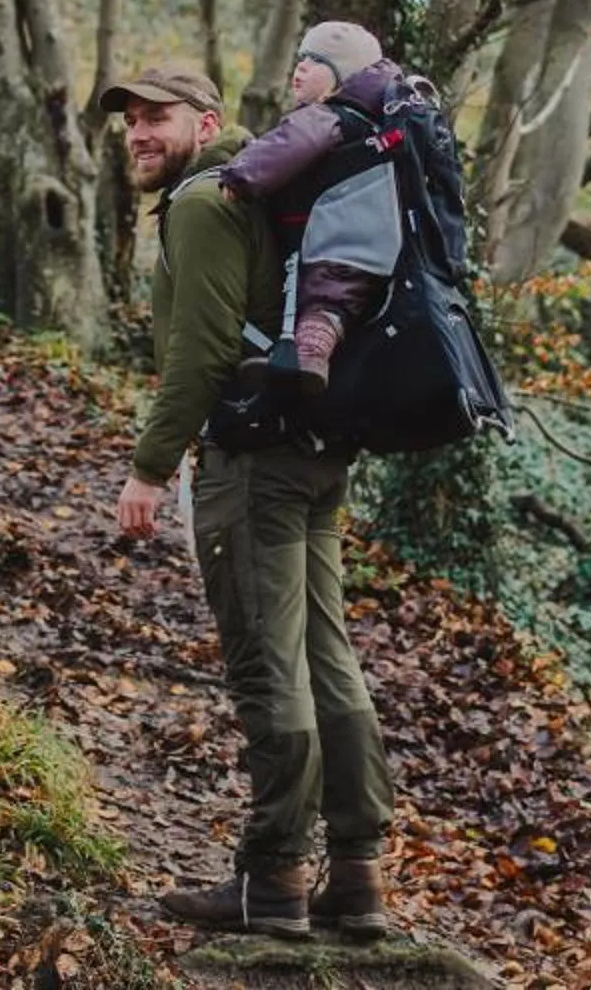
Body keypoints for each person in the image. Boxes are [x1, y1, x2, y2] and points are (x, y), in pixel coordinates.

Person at [100, 62, 396, 941]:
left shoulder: (204, 203)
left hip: (256, 463)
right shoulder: (266, 184)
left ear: (206, 122)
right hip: (314, 452)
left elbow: (198, 354)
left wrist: (149, 468)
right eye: (130, 121)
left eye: (157, 117)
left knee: (270, 668)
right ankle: (358, 875)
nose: (139, 134)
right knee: (326, 660)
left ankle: (273, 879)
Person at [220, 20, 411, 398]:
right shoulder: (377, 125)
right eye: (301, 57)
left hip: (336, 242)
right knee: (336, 305)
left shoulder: (330, 117)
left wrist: (241, 174)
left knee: (323, 301)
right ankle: (305, 358)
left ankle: (306, 359)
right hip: (376, 251)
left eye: (318, 61)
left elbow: (287, 145)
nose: (302, 67)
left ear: (344, 79)